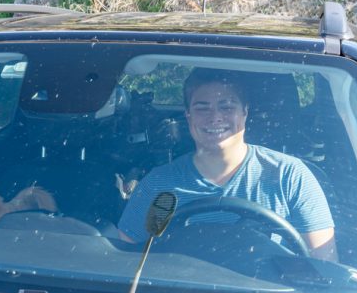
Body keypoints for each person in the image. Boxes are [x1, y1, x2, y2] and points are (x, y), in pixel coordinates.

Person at [118, 68, 337, 261]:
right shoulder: (158, 185)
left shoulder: (289, 176)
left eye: (227, 106)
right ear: (188, 116)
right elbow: (124, 265)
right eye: (203, 108)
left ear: (245, 112)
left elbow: (325, 270)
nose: (215, 118)